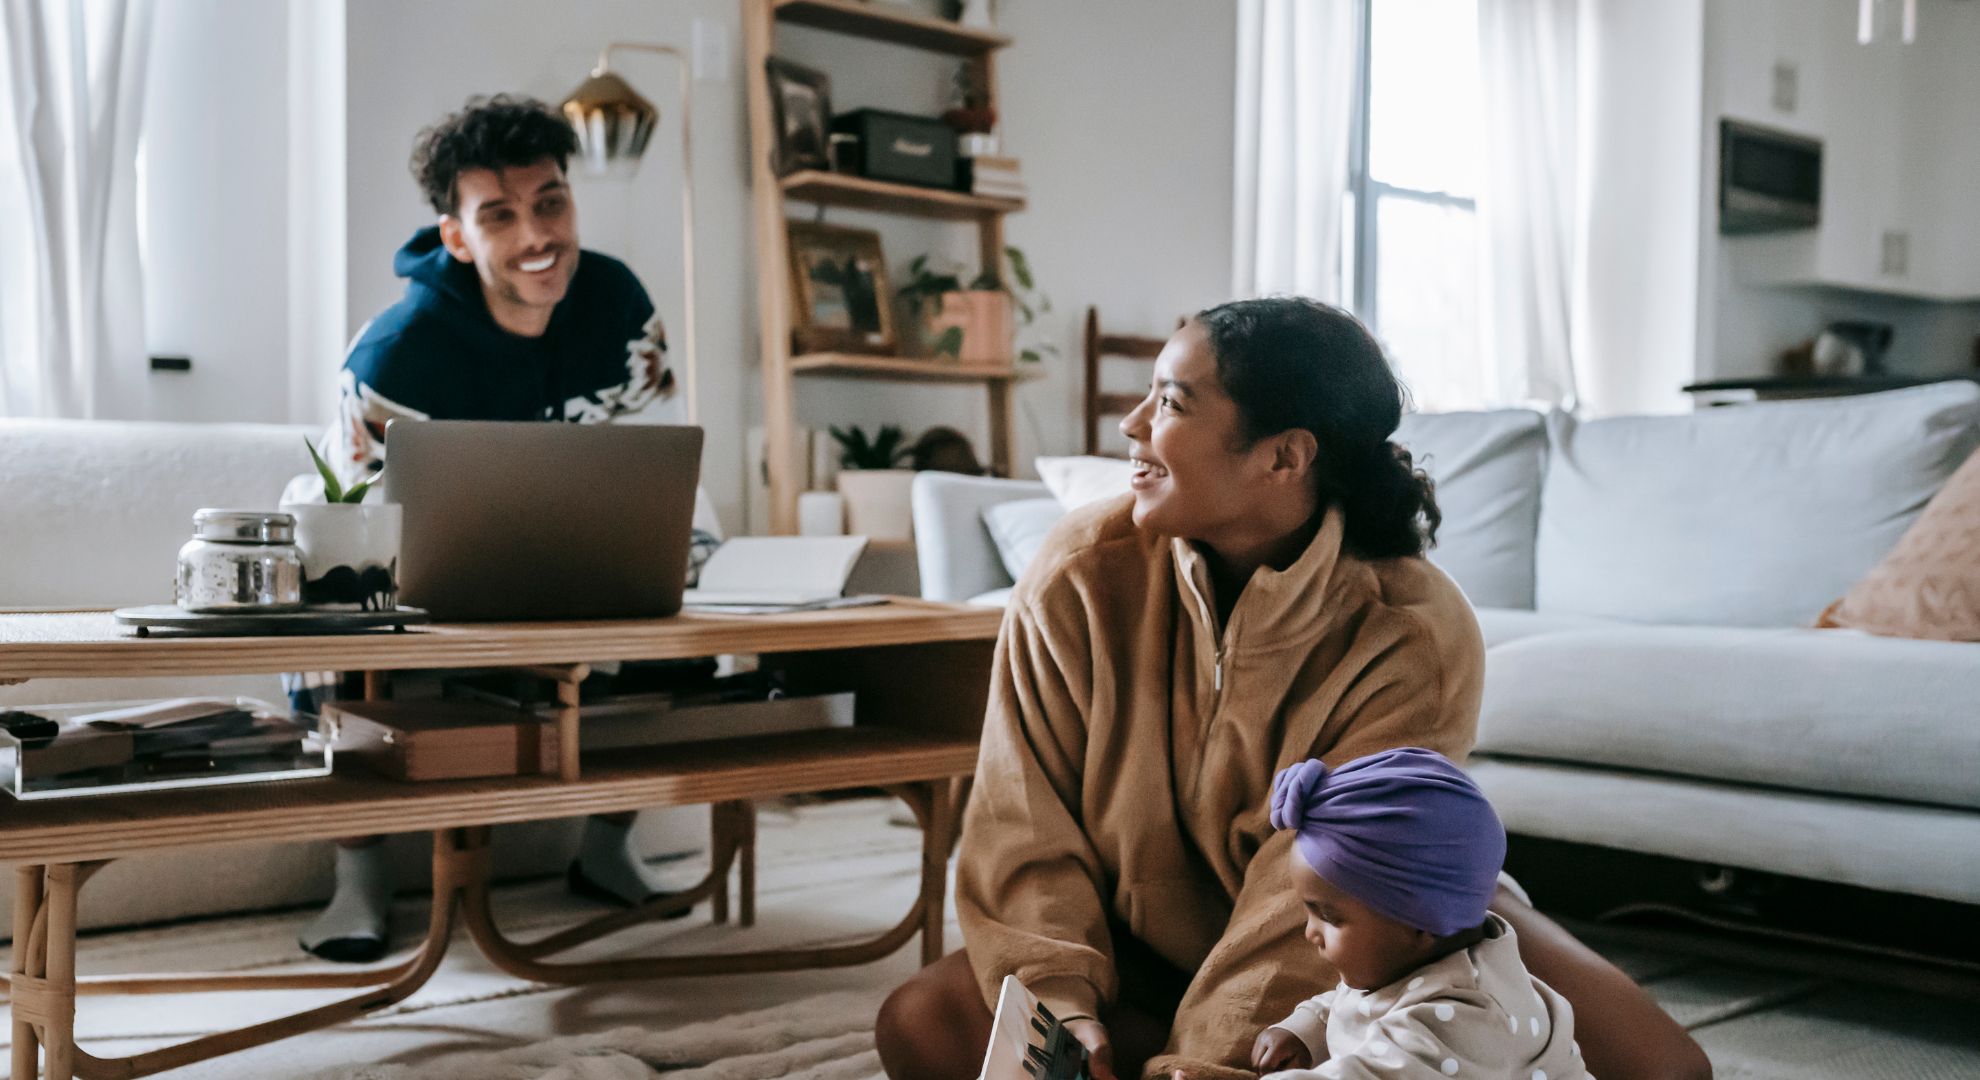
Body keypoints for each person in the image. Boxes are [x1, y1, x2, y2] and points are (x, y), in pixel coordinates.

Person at [873, 298, 1710, 1080]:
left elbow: (1310, 910)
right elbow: (1020, 820)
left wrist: (1208, 1065)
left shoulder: (1412, 628)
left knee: (1662, 1073)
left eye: (1170, 402)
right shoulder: (1077, 575)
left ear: (1285, 455)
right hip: (1136, 940)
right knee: (922, 1024)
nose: (1130, 426)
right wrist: (1060, 992)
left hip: (1373, 937)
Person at [288, 94, 716, 964]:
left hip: (583, 572)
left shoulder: (621, 305)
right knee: (325, 611)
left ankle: (605, 851)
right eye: (500, 215)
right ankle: (359, 875)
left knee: (689, 600)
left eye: (551, 202)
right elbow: (354, 520)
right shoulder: (395, 354)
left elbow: (659, 461)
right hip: (420, 590)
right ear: (456, 236)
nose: (537, 238)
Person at [1247, 750, 1585, 1080]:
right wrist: (1306, 1031)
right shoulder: (1407, 963)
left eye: (1329, 917)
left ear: (1423, 921)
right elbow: (1357, 1006)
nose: (1311, 933)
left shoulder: (1464, 1020)